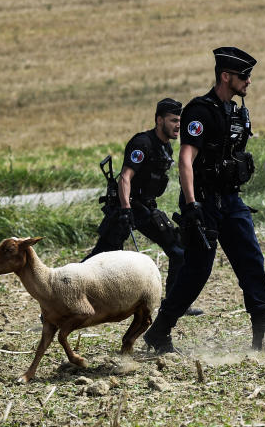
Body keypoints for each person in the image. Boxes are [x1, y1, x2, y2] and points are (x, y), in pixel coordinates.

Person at [143, 47, 265, 353]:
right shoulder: (200, 111)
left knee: (251, 260)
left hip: (231, 200)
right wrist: (191, 206)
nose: (248, 82)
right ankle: (159, 331)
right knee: (197, 270)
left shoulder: (236, 111)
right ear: (225, 76)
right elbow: (186, 160)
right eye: (244, 76)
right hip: (204, 202)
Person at [83, 98, 203, 315]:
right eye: (173, 120)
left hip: (146, 208)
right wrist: (126, 210)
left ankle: (175, 304)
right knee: (99, 258)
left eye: (180, 120)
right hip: (127, 207)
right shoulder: (143, 143)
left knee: (178, 251)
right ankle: (60, 299)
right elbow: (125, 178)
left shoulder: (165, 146)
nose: (178, 125)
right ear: (159, 120)